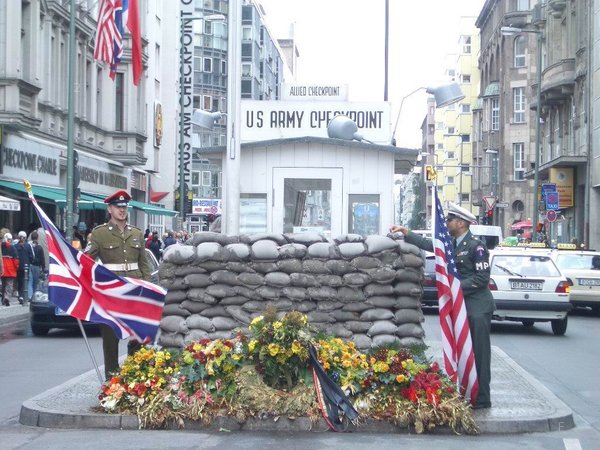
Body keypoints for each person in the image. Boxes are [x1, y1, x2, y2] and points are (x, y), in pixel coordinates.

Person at [391, 202, 495, 410]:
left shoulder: (476, 246)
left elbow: (482, 278)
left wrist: (454, 287)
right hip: (462, 304)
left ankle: (482, 398)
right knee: (464, 352)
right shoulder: (452, 243)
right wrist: (407, 233)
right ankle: (466, 391)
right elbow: (432, 245)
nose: (446, 223)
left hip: (477, 306)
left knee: (479, 353)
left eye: (449, 220)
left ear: (461, 223)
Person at [84, 190, 152, 379]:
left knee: (140, 334)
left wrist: (147, 290)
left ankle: (137, 374)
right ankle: (112, 379)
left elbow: (144, 265)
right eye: (117, 207)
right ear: (110, 209)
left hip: (134, 291)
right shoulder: (99, 234)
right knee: (110, 338)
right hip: (111, 293)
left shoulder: (136, 233)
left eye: (124, 207)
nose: (122, 210)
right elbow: (85, 261)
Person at [26, 230, 46, 302]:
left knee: (30, 280)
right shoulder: (39, 247)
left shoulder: (28, 246)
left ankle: (29, 296)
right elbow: (42, 258)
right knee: (35, 281)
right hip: (37, 266)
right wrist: (43, 267)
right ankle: (33, 295)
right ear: (37, 238)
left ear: (31, 237)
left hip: (30, 265)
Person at [1, 233, 19, 306]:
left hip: (2, 269)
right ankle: (7, 297)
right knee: (9, 285)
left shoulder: (1, 247)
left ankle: (3, 299)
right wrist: (17, 267)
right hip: (10, 270)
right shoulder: (12, 248)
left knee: (3, 285)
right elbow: (16, 260)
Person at [14, 231, 30, 305]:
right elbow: (31, 256)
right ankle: (23, 296)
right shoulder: (28, 246)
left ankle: (21, 295)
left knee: (20, 281)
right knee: (25, 281)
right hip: (26, 266)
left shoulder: (16, 246)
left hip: (19, 267)